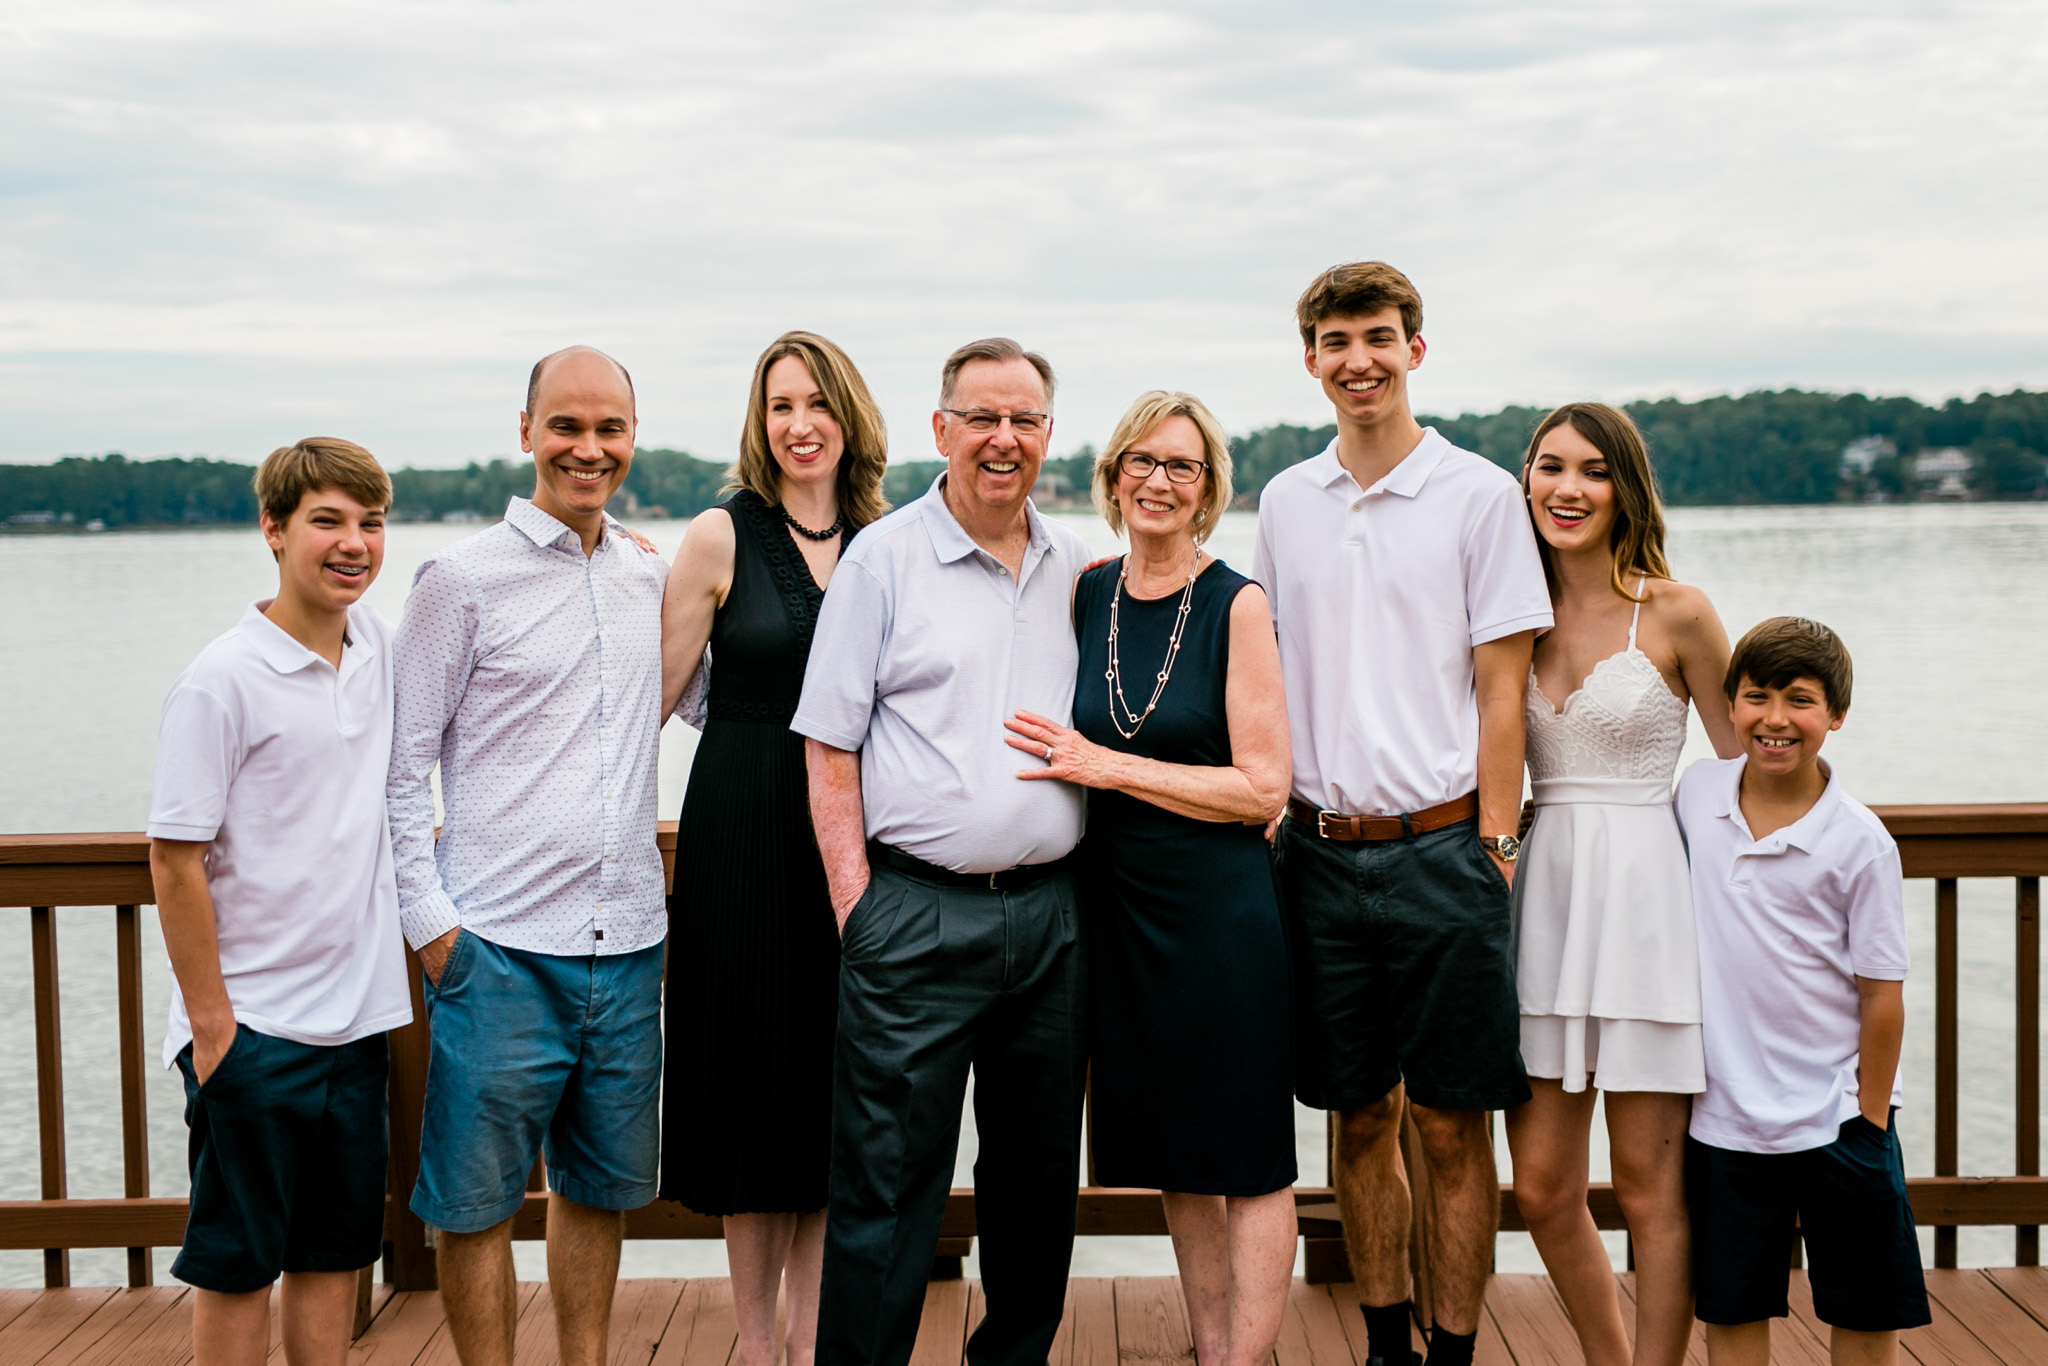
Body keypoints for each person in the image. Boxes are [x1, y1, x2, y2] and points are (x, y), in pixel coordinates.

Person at [1252, 262, 1553, 1366]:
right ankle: (1384, 1347)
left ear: (1414, 350)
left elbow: (1500, 685)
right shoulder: (1283, 501)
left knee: (1447, 1121)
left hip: (1443, 847)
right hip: (1318, 851)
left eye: (1377, 337)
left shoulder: (1477, 495)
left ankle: (1456, 1352)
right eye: (1335, 340)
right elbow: (1266, 671)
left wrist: (1498, 843)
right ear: (1310, 361)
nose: (1357, 359)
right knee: (1359, 1116)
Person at [793, 337, 1090, 1366]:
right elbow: (827, 743)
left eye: (1024, 420)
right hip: (911, 917)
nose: (1002, 440)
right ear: (941, 430)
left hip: (1050, 919)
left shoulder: (1077, 564)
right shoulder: (883, 558)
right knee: (884, 1186)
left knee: (1037, 1183)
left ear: (1048, 435)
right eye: (981, 418)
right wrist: (856, 908)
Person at [387, 347, 668, 1366]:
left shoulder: (650, 574)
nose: (588, 449)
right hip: (495, 949)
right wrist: (435, 934)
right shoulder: (458, 581)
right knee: (473, 1208)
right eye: (567, 426)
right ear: (526, 431)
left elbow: (721, 705)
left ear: (631, 437)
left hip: (631, 943)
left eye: (609, 429)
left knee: (597, 1193)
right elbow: (398, 770)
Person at [1001, 391, 1295, 1366]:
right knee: (1176, 1150)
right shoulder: (1086, 593)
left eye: (1181, 466)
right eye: (1141, 461)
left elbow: (1262, 789)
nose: (1157, 482)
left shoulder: (1236, 603)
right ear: (1112, 473)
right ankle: (1208, 1345)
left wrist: (1106, 766)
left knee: (1248, 1158)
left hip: (1218, 912)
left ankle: (1240, 1362)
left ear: (1208, 489)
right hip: (1118, 912)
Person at [147, 438, 413, 1366]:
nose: (354, 544)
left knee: (335, 1256)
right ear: (273, 529)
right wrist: (214, 1028)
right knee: (237, 1265)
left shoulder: (380, 646)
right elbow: (174, 861)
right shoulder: (220, 680)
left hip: (357, 1025)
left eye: (370, 524)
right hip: (254, 1030)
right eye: (327, 522)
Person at [658, 331, 890, 1366]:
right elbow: (643, 709)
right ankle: (761, 1348)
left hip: (857, 844)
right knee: (753, 1096)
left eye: (814, 403)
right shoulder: (717, 536)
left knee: (829, 1098)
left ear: (848, 416)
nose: (797, 423)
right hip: (741, 832)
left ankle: (811, 1340)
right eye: (777, 405)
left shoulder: (887, 538)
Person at [1504, 403, 1741, 1366]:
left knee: (1649, 1188)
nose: (1568, 488)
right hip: (1545, 899)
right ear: (1525, 481)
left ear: (1625, 487)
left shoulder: (1677, 611)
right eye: (1550, 466)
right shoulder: (1503, 614)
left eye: (1593, 471)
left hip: (1648, 907)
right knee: (1544, 1187)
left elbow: (1745, 770)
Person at [1675, 617, 1929, 1366]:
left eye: (1801, 701)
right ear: (1729, 705)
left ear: (1836, 716)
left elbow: (1883, 993)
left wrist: (1871, 1116)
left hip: (1839, 1114)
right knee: (1732, 1306)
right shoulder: (1698, 794)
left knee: (1863, 1305)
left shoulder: (1859, 842)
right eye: (1757, 697)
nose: (1776, 719)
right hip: (1726, 1117)